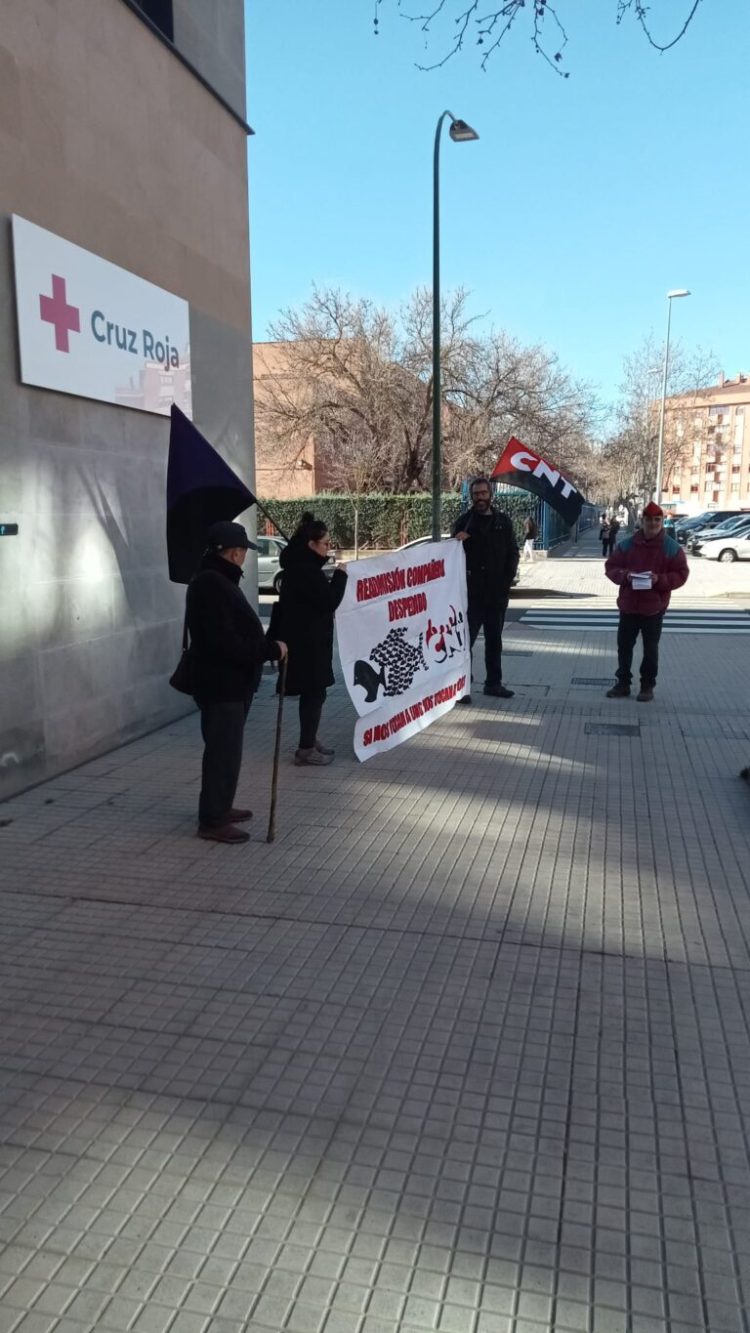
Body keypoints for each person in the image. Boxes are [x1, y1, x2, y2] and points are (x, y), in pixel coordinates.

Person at [186, 520, 287, 844]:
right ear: (234, 553)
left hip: (229, 683)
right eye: (242, 550)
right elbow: (225, 643)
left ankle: (220, 806)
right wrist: (270, 649)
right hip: (222, 684)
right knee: (222, 752)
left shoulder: (216, 580)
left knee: (227, 751)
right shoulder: (212, 585)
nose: (244, 556)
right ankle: (212, 819)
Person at [273, 513, 348, 765]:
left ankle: (309, 737)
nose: (329, 548)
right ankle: (305, 748)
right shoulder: (305, 570)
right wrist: (340, 577)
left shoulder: (302, 566)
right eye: (325, 543)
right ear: (311, 544)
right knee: (313, 693)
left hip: (308, 641)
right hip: (307, 644)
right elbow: (328, 601)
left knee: (315, 694)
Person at [604, 501, 688, 703]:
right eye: (649, 519)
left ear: (662, 521)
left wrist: (660, 580)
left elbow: (681, 574)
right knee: (624, 647)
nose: (653, 523)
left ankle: (647, 686)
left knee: (651, 649)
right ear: (642, 521)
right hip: (629, 605)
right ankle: (623, 683)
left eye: (657, 520)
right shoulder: (627, 545)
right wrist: (626, 575)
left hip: (654, 608)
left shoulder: (671, 548)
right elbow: (611, 567)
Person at [453, 476, 519, 703]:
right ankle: (463, 686)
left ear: (490, 495)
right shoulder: (463, 523)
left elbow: (513, 552)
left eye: (483, 493)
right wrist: (457, 542)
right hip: (470, 596)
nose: (480, 498)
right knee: (465, 643)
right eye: (476, 494)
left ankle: (494, 683)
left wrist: (506, 581)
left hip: (496, 595)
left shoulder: (503, 522)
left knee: (494, 642)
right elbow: (450, 558)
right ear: (471, 497)